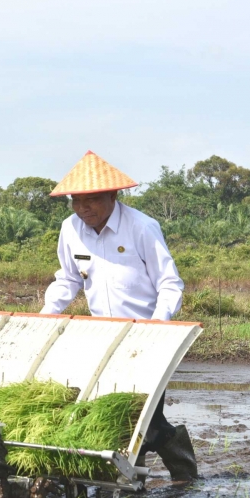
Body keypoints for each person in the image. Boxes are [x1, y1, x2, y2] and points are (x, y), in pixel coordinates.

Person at [40, 150, 198, 482]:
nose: (83, 209)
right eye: (76, 201)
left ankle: (181, 476)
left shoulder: (141, 228)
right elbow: (68, 279)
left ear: (113, 195)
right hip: (105, 340)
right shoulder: (71, 229)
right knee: (119, 416)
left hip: (149, 337)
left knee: (146, 420)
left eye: (92, 200)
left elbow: (170, 284)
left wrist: (157, 326)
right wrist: (46, 314)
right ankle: (129, 481)